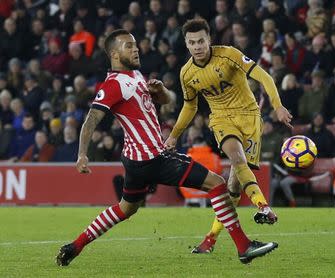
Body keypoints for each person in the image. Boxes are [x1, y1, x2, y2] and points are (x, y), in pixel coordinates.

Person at [56, 29, 277, 267]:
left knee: (126, 208)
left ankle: (75, 246)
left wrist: (161, 92)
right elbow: (91, 119)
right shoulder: (113, 85)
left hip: (135, 160)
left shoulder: (136, 75)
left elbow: (168, 101)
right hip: (153, 157)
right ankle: (244, 247)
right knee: (217, 184)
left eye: (135, 44)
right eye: (129, 46)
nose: (136, 48)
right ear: (114, 54)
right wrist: (81, 154)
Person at [164, 18, 292, 254]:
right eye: (192, 42)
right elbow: (189, 107)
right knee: (236, 158)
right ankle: (263, 206)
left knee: (233, 188)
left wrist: (278, 106)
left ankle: (210, 238)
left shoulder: (229, 54)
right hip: (221, 119)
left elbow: (264, 76)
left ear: (209, 39)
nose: (197, 46)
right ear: (186, 44)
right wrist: (174, 135)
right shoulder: (186, 73)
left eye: (201, 41)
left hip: (250, 117)